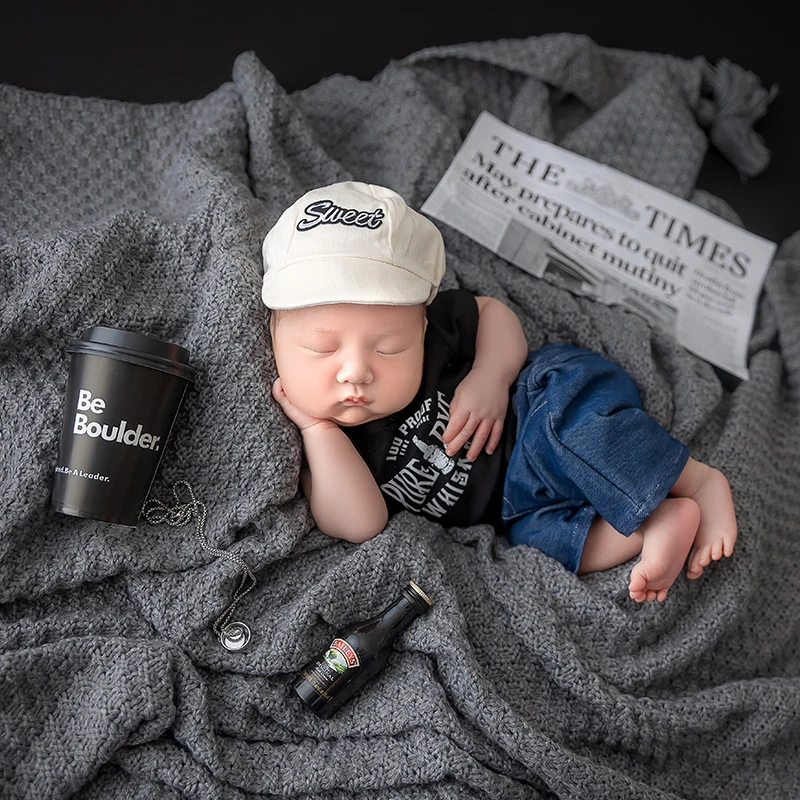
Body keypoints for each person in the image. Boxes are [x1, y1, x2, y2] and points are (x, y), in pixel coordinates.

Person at [263, 181, 737, 603]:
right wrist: (317, 428)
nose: (355, 372)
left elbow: (493, 314)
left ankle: (696, 481)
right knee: (543, 543)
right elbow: (361, 523)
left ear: (421, 327)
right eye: (320, 349)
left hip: (533, 406)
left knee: (570, 430)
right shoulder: (331, 451)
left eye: (389, 349)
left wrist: (489, 375)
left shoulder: (442, 333)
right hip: (512, 508)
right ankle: (657, 522)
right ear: (275, 335)